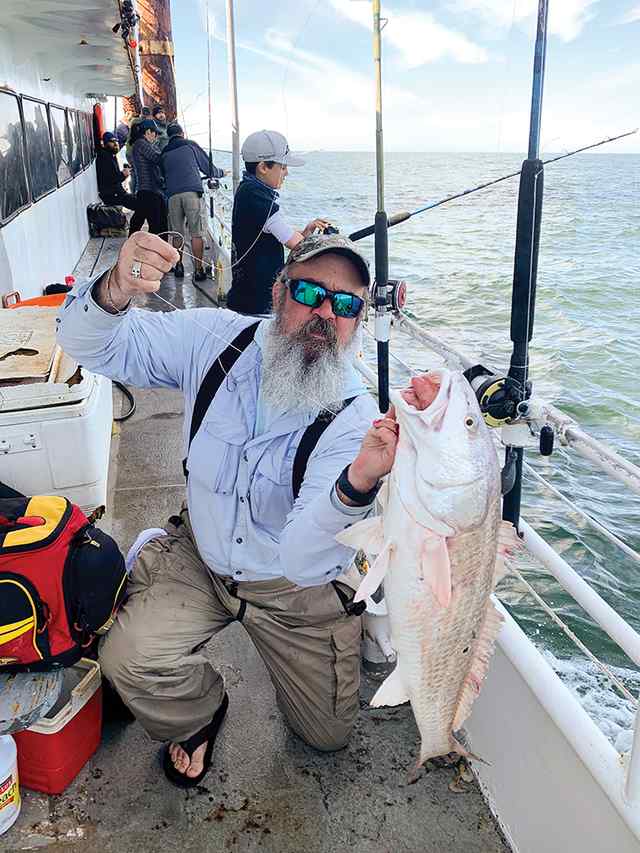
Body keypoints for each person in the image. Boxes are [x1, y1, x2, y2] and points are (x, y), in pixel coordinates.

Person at [56, 230, 398, 789]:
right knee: (126, 661)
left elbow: (305, 558)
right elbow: (92, 345)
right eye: (311, 292)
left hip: (292, 588)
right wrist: (116, 289)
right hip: (204, 552)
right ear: (278, 290)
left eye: (344, 304)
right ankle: (200, 710)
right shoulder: (215, 339)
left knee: (326, 736)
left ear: (358, 321)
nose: (324, 315)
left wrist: (359, 482)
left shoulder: (355, 423)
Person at [227, 130, 331, 316]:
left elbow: (275, 233)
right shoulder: (262, 202)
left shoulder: (246, 190)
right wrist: (330, 247)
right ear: (263, 167)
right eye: (282, 167)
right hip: (258, 302)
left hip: (243, 295)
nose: (287, 173)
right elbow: (298, 246)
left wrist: (306, 231)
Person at [161, 123, 225, 281]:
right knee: (196, 234)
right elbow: (208, 168)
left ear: (169, 136)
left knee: (177, 234)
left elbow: (162, 176)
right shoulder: (190, 145)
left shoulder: (164, 153)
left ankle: (178, 266)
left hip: (172, 197)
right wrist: (221, 173)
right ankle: (198, 270)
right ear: (182, 133)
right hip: (192, 194)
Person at [128, 120, 168, 237]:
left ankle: (134, 246)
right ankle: (154, 251)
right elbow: (157, 158)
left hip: (148, 191)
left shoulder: (141, 144)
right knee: (158, 228)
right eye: (155, 133)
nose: (156, 137)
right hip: (149, 191)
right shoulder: (141, 143)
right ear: (148, 132)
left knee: (139, 221)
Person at [95, 132, 136, 211]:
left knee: (140, 203)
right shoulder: (104, 157)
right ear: (105, 143)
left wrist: (124, 173)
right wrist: (123, 175)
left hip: (117, 193)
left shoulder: (111, 156)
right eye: (112, 141)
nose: (115, 143)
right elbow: (110, 180)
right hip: (112, 195)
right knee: (140, 204)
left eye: (116, 141)